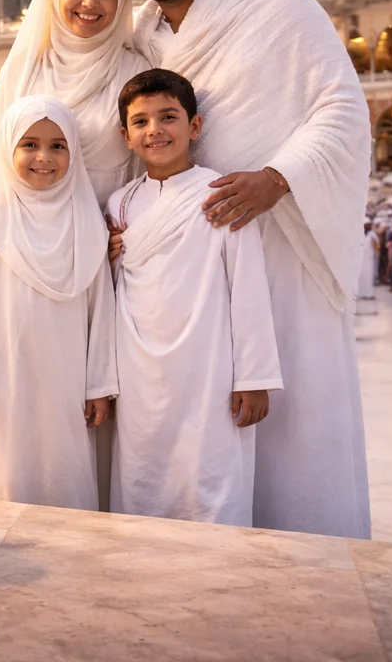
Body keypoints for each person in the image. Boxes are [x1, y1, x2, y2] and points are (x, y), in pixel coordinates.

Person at [113, 0, 371, 539]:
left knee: (295, 425)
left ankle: (311, 564)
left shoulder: (275, 4)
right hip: (196, 276)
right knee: (206, 430)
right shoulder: (141, 36)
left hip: (285, 245)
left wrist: (277, 180)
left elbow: (341, 108)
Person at [108, 69, 283, 527]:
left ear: (195, 126)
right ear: (125, 136)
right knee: (142, 475)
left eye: (168, 117)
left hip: (209, 368)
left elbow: (246, 287)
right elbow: (109, 290)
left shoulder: (221, 193)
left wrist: (254, 376)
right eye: (141, 122)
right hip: (139, 372)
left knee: (210, 477)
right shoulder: (119, 204)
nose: (155, 131)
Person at [0, 95, 116, 510]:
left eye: (58, 146)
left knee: (62, 461)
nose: (44, 157)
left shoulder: (89, 221)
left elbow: (101, 310)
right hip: (2, 371)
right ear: (8, 149)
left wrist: (99, 385)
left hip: (67, 374)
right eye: (29, 144)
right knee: (3, 462)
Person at [0, 0, 152, 252]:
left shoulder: (136, 72)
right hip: (23, 243)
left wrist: (134, 224)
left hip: (104, 247)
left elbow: (153, 163)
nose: (90, 2)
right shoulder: (23, 69)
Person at [358, 221, 380, 300]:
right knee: (360, 276)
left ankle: (368, 293)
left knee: (368, 276)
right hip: (360, 259)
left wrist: (375, 252)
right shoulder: (358, 234)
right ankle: (360, 293)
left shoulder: (372, 235)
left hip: (369, 259)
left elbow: (377, 246)